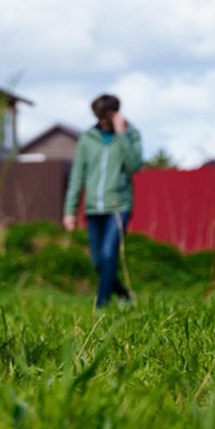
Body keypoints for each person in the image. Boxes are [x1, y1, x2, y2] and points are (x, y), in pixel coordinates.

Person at [62, 93, 143, 308]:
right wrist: (70, 211)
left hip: (119, 206)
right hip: (93, 208)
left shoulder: (131, 135)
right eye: (99, 117)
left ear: (115, 114)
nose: (102, 121)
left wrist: (122, 134)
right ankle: (124, 295)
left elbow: (134, 165)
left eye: (107, 116)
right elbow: (77, 175)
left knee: (109, 255)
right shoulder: (88, 138)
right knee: (98, 261)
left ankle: (101, 305)